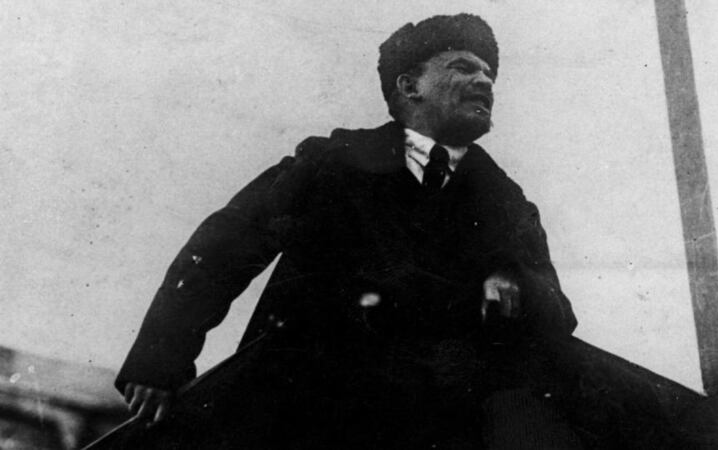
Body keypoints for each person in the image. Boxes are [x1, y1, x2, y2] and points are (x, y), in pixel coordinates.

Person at [116, 13, 579, 448]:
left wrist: (516, 281)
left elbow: (560, 319)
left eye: (490, 74)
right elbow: (225, 245)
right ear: (409, 85)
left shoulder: (508, 204)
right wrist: (160, 359)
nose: (485, 82)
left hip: (433, 428)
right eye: (464, 67)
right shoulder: (332, 163)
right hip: (302, 417)